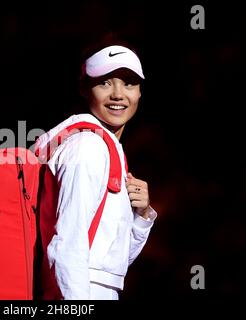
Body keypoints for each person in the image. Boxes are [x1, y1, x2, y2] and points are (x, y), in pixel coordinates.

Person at [34, 35, 157, 300]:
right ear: (83, 88)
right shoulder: (87, 147)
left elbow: (112, 265)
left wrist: (141, 215)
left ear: (139, 91)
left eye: (129, 83)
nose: (118, 94)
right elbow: (67, 242)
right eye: (104, 82)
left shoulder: (105, 147)